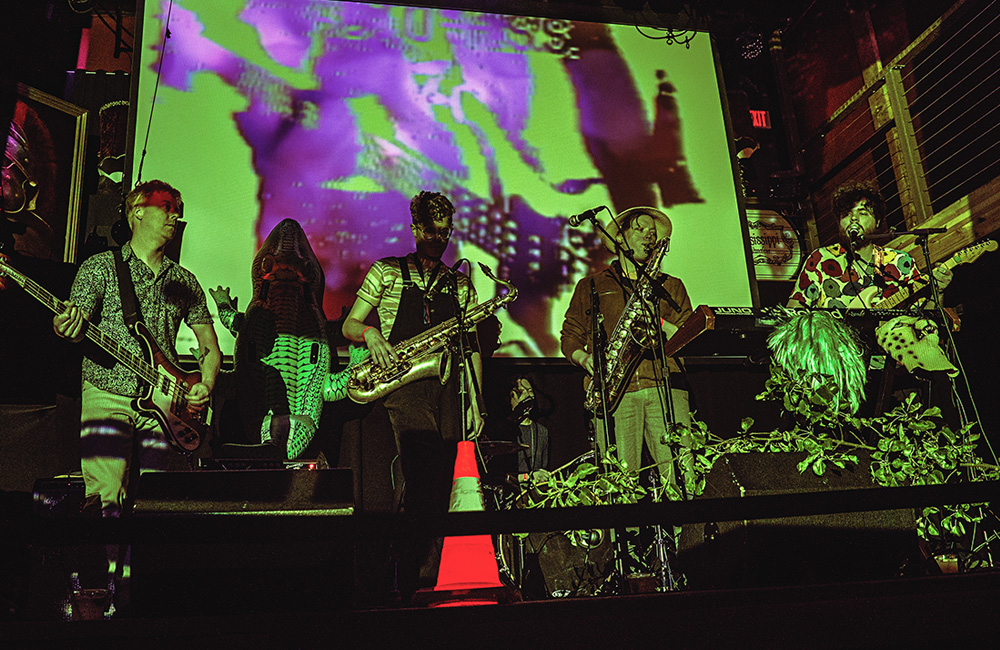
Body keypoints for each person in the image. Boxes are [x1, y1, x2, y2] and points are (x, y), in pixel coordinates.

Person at [341, 190, 483, 595]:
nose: (440, 240)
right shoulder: (385, 271)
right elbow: (350, 324)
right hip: (404, 382)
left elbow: (470, 347)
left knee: (443, 484)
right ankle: (413, 573)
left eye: (446, 232)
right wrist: (370, 334)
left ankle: (439, 573)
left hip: (450, 387)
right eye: (432, 231)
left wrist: (477, 401)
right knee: (422, 475)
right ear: (415, 228)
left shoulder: (460, 283)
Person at [53, 180, 221, 517]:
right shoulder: (100, 267)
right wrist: (66, 326)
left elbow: (209, 344)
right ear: (138, 211)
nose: (175, 217)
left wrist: (205, 383)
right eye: (167, 207)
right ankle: (108, 570)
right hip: (107, 391)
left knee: (156, 503)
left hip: (163, 403)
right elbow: (75, 320)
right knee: (105, 500)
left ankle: (139, 570)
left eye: (178, 211)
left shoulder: (184, 280)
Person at [560, 206, 693, 496]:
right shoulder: (592, 286)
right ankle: (628, 542)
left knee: (682, 481)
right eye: (641, 229)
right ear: (619, 238)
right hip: (615, 395)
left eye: (653, 232)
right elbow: (570, 336)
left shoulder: (670, 286)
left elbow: (688, 336)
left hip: (666, 387)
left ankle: (690, 540)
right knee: (619, 486)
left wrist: (656, 322)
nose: (650, 235)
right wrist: (585, 359)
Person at [787, 181, 951, 309]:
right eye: (846, 214)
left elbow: (925, 319)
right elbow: (795, 310)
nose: (853, 219)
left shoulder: (900, 263)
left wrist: (938, 291)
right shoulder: (821, 259)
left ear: (878, 221)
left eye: (862, 213)